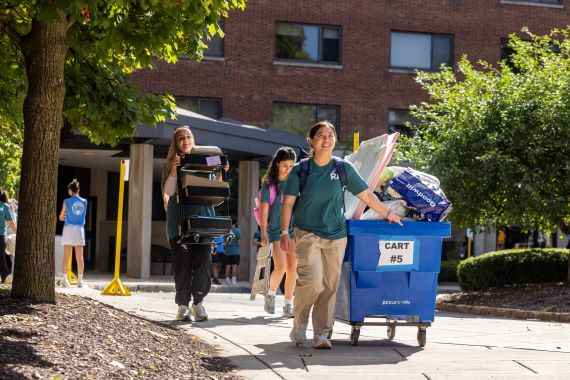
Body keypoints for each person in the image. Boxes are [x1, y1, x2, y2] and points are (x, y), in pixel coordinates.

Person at [280, 121, 403, 349]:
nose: (326, 140)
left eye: (330, 136)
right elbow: (287, 204)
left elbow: (365, 195)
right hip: (307, 233)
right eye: (320, 136)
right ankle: (299, 323)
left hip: (336, 235)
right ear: (312, 141)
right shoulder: (301, 170)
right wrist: (285, 232)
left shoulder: (343, 168)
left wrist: (388, 213)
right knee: (313, 283)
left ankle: (321, 334)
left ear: (334, 140)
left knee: (329, 286)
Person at [161, 125, 228, 322]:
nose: (186, 140)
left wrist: (221, 171)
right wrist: (174, 170)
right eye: (181, 138)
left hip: (204, 221)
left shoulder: (207, 159)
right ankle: (183, 305)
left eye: (188, 136)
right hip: (178, 223)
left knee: (203, 264)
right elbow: (169, 192)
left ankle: (198, 304)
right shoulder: (170, 163)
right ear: (176, 143)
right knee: (182, 266)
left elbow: (218, 192)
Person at [259, 146, 297, 318]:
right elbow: (264, 210)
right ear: (276, 164)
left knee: (292, 268)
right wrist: (263, 232)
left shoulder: (294, 181)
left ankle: (288, 305)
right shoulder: (270, 184)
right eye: (284, 165)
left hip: (292, 229)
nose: (288, 169)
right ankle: (271, 295)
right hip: (275, 230)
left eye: (291, 166)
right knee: (280, 266)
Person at [58, 179, 88, 288]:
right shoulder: (85, 201)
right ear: (78, 190)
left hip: (68, 229)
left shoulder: (66, 201)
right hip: (79, 229)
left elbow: (62, 216)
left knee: (66, 256)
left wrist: (63, 217)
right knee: (79, 257)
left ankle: (65, 281)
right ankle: (80, 281)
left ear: (70, 190)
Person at [0, 189, 17, 284]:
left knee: (2, 256)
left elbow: (11, 222)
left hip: (1, 235)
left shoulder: (4, 206)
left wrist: (18, 233)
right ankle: (6, 276)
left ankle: (6, 277)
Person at [224, 217, 241, 286]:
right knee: (234, 266)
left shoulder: (227, 231)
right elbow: (239, 242)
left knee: (228, 266)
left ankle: (227, 280)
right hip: (235, 251)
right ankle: (233, 281)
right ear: (236, 223)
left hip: (227, 251)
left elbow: (224, 242)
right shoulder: (237, 231)